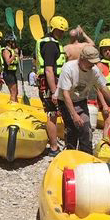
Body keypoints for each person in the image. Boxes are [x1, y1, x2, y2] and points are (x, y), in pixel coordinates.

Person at [56, 45, 110, 153]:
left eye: (95, 62)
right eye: (90, 62)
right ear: (81, 58)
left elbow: (103, 87)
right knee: (72, 128)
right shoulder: (68, 68)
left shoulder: (94, 70)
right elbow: (65, 94)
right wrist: (74, 115)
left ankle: (86, 154)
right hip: (65, 101)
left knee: (86, 128)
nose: (93, 64)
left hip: (81, 100)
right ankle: (70, 153)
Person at [36, 15, 70, 156]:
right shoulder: (50, 45)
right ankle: (54, 148)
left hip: (51, 82)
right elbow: (49, 70)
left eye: (63, 31)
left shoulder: (49, 42)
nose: (62, 33)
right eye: (59, 31)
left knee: (54, 113)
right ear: (53, 29)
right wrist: (54, 91)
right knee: (52, 114)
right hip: (49, 84)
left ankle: (57, 144)